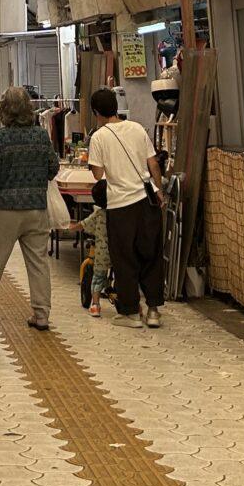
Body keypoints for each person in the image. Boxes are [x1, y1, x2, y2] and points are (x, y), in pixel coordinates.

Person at [0, 86, 59, 330]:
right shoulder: (41, 135)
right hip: (36, 209)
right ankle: (41, 315)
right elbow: (53, 168)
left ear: (5, 109)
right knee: (38, 262)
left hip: (6, 210)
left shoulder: (1, 138)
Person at [87, 87, 165, 328]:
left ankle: (130, 312)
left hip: (120, 206)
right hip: (146, 201)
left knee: (125, 259)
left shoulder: (99, 137)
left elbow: (98, 174)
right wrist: (159, 191)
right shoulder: (137, 128)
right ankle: (153, 311)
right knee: (151, 256)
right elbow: (153, 164)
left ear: (96, 112)